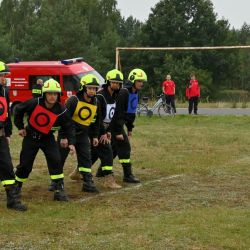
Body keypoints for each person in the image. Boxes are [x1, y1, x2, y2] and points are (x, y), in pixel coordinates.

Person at [14, 78, 75, 202]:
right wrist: (20, 127)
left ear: (58, 95)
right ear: (44, 94)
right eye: (49, 93)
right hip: (31, 137)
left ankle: (59, 190)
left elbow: (69, 126)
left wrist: (71, 142)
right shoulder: (34, 103)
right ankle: (16, 187)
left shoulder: (61, 110)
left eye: (55, 94)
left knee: (56, 161)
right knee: (25, 164)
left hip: (48, 139)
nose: (52, 96)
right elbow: (18, 109)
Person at [60, 74, 100, 193]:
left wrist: (94, 136)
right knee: (60, 158)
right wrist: (63, 137)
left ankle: (88, 182)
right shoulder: (74, 100)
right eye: (90, 88)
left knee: (85, 158)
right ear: (83, 88)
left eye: (94, 88)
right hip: (67, 134)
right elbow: (64, 119)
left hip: (82, 134)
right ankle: (56, 182)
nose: (92, 91)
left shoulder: (95, 101)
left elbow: (95, 121)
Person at [110, 68, 147, 183]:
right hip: (114, 124)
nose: (141, 83)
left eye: (142, 81)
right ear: (132, 80)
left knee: (113, 149)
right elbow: (118, 113)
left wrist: (130, 127)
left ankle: (101, 171)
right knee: (125, 147)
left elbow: (131, 112)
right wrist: (118, 132)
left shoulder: (135, 93)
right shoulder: (124, 92)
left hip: (119, 125)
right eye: (139, 81)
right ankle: (128, 175)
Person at [0, 61, 27, 211]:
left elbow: (6, 114)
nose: (5, 78)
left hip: (1, 136)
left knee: (7, 166)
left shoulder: (5, 91)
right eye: (2, 75)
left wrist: (8, 133)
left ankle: (12, 199)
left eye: (5, 75)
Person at [92, 69, 124, 189]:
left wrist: (109, 130)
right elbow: (98, 117)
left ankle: (77, 172)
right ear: (108, 82)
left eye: (118, 83)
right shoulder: (100, 96)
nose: (116, 84)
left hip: (104, 129)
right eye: (113, 82)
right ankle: (109, 180)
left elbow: (110, 116)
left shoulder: (114, 95)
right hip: (96, 129)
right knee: (107, 152)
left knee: (93, 153)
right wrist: (103, 133)